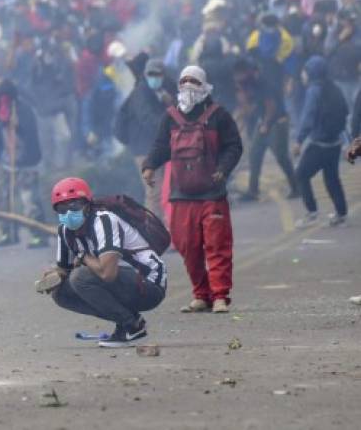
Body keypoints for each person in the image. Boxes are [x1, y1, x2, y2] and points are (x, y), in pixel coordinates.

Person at [141, 66, 243, 313]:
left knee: (217, 246)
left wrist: (223, 169)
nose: (188, 86)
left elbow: (233, 146)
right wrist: (149, 166)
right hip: (181, 195)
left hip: (212, 194)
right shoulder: (171, 117)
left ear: (204, 86)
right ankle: (201, 294)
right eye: (184, 81)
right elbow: (160, 146)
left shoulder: (219, 116)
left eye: (194, 81)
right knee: (187, 246)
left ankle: (219, 296)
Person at [38, 177, 167, 348]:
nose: (68, 213)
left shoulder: (104, 221)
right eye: (62, 208)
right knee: (61, 293)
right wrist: (53, 277)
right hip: (120, 282)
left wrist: (82, 256)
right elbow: (64, 269)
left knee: (80, 277)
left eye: (74, 206)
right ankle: (128, 322)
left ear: (87, 205)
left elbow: (107, 274)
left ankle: (132, 326)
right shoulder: (65, 230)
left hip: (149, 284)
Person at [293, 56, 349, 228]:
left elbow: (308, 117)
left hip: (319, 144)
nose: (303, 74)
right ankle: (341, 213)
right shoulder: (334, 87)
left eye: (306, 70)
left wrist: (299, 140)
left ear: (311, 73)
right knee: (332, 178)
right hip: (334, 143)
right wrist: (346, 141)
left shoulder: (313, 91)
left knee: (301, 175)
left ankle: (312, 213)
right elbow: (344, 113)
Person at [0, 79, 47, 248]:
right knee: (3, 199)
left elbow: (32, 139)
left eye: (6, 97)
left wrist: (18, 128)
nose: (3, 100)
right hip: (7, 162)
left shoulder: (24, 111)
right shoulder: (0, 111)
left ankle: (38, 234)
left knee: (29, 200)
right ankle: (8, 232)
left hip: (26, 164)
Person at [233, 57, 297, 201]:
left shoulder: (262, 82)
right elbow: (248, 108)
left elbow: (271, 106)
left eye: (240, 74)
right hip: (264, 122)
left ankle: (296, 187)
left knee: (281, 157)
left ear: (248, 71)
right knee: (255, 154)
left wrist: (265, 125)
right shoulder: (250, 84)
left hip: (277, 122)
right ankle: (253, 191)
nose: (238, 77)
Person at [115, 58, 173, 217]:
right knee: (154, 191)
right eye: (151, 74)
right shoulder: (141, 93)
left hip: (154, 147)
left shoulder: (159, 91)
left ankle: (163, 228)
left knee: (162, 189)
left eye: (158, 74)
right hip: (143, 149)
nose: (155, 77)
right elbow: (147, 119)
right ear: (146, 74)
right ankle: (152, 230)